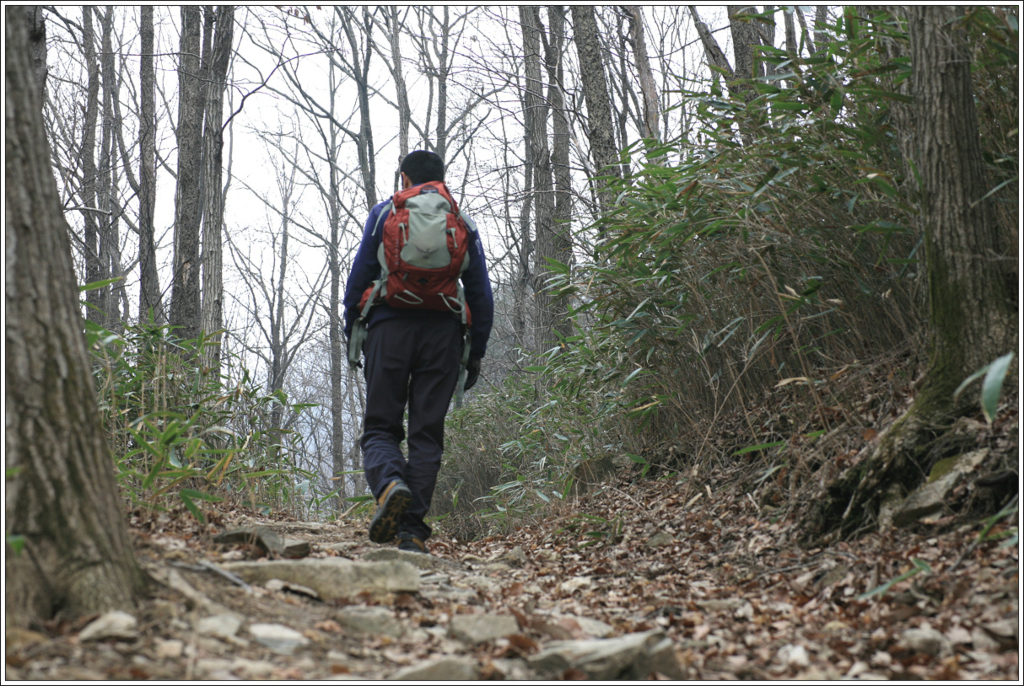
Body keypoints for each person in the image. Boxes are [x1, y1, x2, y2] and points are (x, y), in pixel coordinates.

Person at [343, 150, 493, 554]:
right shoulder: (462, 223)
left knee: (380, 426)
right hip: (443, 335)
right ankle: (411, 533)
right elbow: (480, 293)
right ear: (440, 180)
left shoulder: (383, 214)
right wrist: (474, 352)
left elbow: (359, 277)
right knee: (427, 434)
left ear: (405, 178)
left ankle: (390, 483)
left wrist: (352, 329)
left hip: (389, 329)